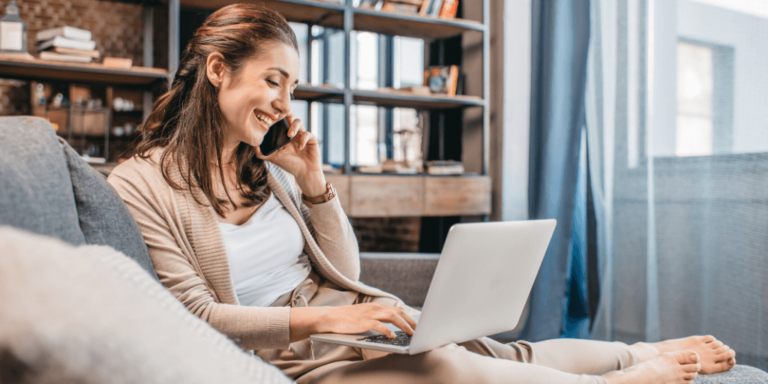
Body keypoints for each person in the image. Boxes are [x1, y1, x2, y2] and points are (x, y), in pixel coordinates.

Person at [107, 4, 736, 383]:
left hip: (346, 326)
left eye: (292, 87)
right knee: (445, 368)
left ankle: (637, 352)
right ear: (219, 70)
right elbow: (195, 316)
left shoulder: (264, 169)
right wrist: (333, 318)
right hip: (294, 359)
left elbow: (345, 272)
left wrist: (313, 184)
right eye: (273, 80)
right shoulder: (140, 184)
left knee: (494, 350)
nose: (283, 102)